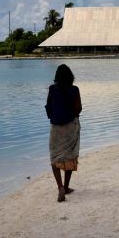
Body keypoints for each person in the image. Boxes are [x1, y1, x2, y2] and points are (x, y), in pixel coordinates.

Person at [45, 64, 82, 202]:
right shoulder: (74, 89)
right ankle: (66, 187)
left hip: (56, 127)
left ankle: (60, 187)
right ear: (70, 76)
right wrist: (72, 115)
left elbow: (49, 107)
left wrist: (54, 117)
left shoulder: (52, 89)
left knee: (55, 157)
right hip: (71, 126)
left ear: (57, 77)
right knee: (70, 156)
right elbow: (78, 108)